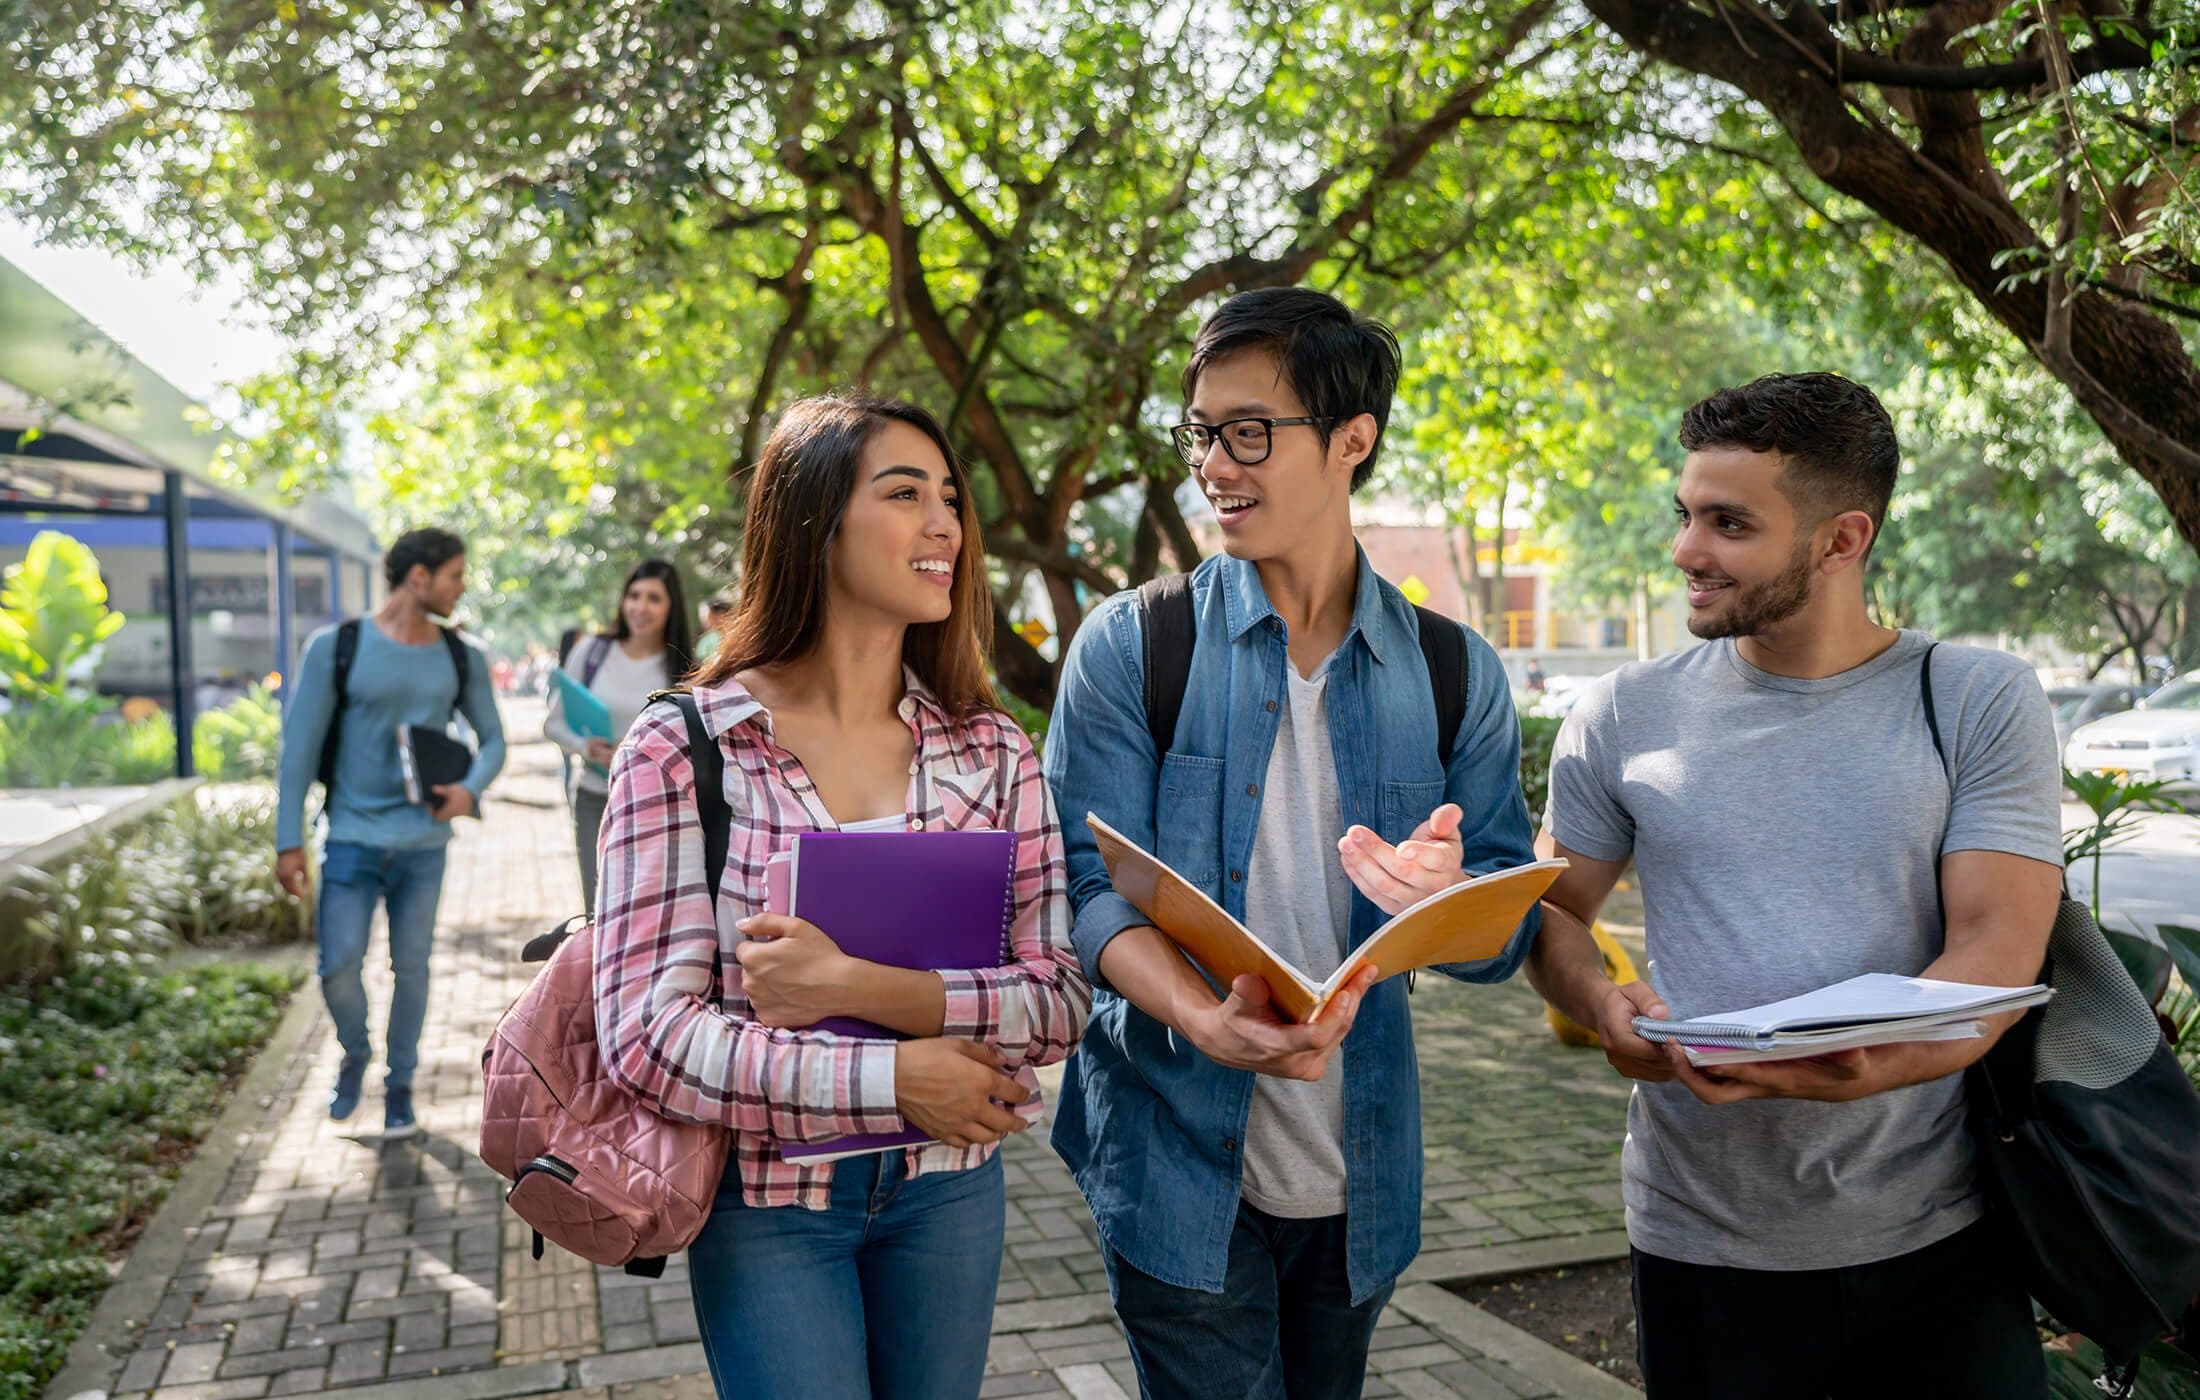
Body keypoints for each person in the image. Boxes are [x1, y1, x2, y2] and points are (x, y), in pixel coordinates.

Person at [1043, 288, 1541, 1398]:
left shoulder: (1457, 672)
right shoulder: (1132, 645)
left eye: (1250, 432)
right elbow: (1082, 891)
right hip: (1171, 1154)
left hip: (1358, 1174)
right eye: (1202, 432)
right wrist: (1196, 1016)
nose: (1215, 463)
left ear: (1352, 440)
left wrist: (1445, 896)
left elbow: (1500, 929)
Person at [1527, 373, 2060, 1398]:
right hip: (1702, 1239)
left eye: (1728, 523)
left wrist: (1866, 1063)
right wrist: (1599, 1002)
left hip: (1939, 1238)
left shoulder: (1977, 698)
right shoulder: (1620, 712)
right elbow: (1552, 910)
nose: (1686, 549)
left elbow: (1996, 943)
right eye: (1684, 514)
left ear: (1840, 538)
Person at [591, 394, 1091, 1399]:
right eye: (904, 493)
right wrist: (895, 1081)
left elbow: (1061, 996)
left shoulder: (990, 748)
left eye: (950, 497)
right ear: (811, 520)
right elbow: (646, 1033)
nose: (944, 522)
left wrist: (858, 985)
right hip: (771, 1204)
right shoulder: (686, 748)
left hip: (949, 1191)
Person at [274, 527, 507, 1140]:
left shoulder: (462, 655)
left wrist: (469, 790)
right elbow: (297, 750)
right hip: (350, 837)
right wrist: (286, 839)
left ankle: (400, 1083)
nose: (462, 587)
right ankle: (355, 1052)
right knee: (337, 967)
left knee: (413, 966)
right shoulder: (338, 646)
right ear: (419, 577)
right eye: (455, 574)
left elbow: (495, 740)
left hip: (423, 845)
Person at [543, 558, 694, 912]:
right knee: (598, 913)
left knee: (648, 913)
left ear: (671, 607)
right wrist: (585, 747)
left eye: (654, 598)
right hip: (596, 797)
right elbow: (553, 722)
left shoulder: (684, 668)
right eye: (634, 595)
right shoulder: (592, 651)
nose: (641, 607)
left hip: (658, 807)